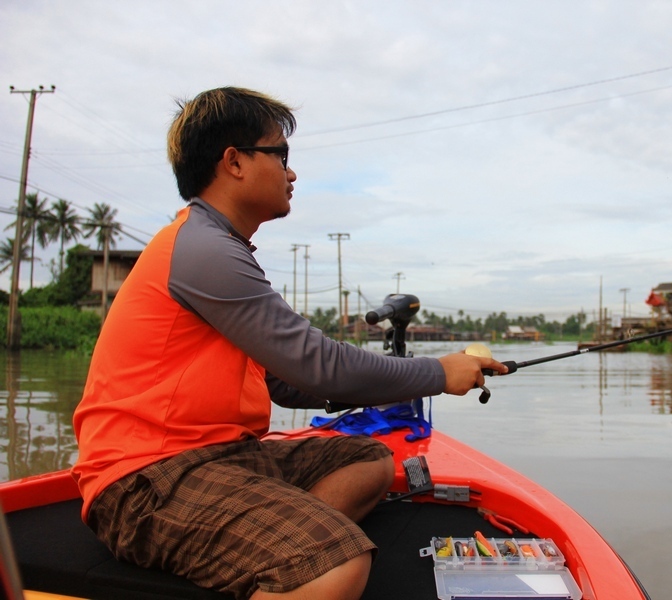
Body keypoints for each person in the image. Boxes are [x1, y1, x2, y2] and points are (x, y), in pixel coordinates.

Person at [72, 86, 507, 600]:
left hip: (224, 458)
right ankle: (302, 560)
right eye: (281, 156)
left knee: (370, 462)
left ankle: (270, 548)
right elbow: (317, 364)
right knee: (336, 565)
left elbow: (287, 380)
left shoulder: (220, 248)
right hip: (147, 481)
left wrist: (383, 384)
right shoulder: (202, 249)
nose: (291, 173)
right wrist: (439, 373)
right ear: (234, 162)